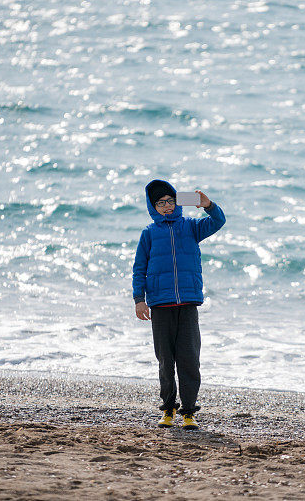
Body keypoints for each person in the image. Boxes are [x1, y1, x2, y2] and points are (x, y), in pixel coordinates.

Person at [132, 179, 226, 430]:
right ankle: (168, 410)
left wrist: (209, 206)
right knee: (165, 360)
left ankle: (189, 412)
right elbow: (139, 269)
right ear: (153, 207)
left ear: (177, 202)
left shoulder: (191, 228)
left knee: (189, 359)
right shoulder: (149, 233)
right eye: (160, 203)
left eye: (170, 201)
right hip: (160, 306)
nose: (167, 206)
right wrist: (139, 300)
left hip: (187, 304)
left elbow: (218, 222)